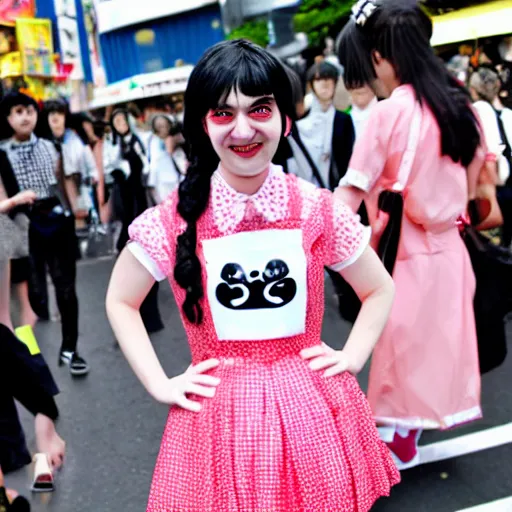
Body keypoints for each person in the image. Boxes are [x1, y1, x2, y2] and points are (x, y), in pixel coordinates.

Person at [106, 39, 399, 511]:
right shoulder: (172, 219)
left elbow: (379, 287)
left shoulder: (315, 208)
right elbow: (121, 300)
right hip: (218, 419)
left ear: (285, 120)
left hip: (311, 410)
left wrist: (354, 355)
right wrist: (160, 384)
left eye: (259, 109)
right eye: (223, 114)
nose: (243, 128)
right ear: (203, 125)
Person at [335, 0, 484, 469]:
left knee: (396, 349)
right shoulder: (462, 109)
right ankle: (409, 433)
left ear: (379, 58)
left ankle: (392, 443)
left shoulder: (387, 114)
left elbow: (351, 192)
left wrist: (309, 241)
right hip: (452, 247)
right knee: (436, 345)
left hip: (403, 250)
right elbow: (479, 179)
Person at [0, 92, 89, 376]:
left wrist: (77, 209)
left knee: (66, 288)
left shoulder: (52, 145)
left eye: (29, 110)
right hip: (22, 224)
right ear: (8, 118)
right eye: (17, 111)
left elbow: (63, 182)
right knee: (31, 297)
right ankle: (30, 356)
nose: (25, 116)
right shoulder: (2, 153)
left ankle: (71, 348)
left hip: (56, 218)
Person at [106, 109, 163, 334]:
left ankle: (151, 315)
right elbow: (109, 170)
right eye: (116, 121)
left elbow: (148, 167)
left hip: (141, 201)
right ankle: (130, 312)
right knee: (127, 253)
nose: (120, 124)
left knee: (149, 255)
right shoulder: (112, 145)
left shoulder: (141, 141)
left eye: (122, 120)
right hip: (124, 203)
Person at [297, 61, 355, 190]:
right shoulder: (300, 122)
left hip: (337, 187)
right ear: (311, 84)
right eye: (319, 79)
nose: (325, 84)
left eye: (329, 78)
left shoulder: (343, 120)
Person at [146, 114, 182, 204]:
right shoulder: (155, 146)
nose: (165, 128)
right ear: (156, 131)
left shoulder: (177, 139)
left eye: (166, 125)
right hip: (165, 186)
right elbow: (153, 167)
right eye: (160, 127)